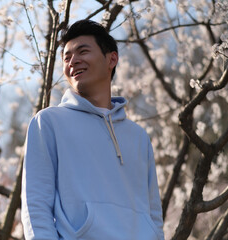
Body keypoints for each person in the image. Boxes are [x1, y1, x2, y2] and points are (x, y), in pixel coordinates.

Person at [21, 19, 164, 240]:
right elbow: (35, 203)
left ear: (111, 59)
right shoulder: (49, 122)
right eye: (67, 58)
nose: (73, 62)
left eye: (82, 52)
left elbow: (154, 213)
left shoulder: (138, 137)